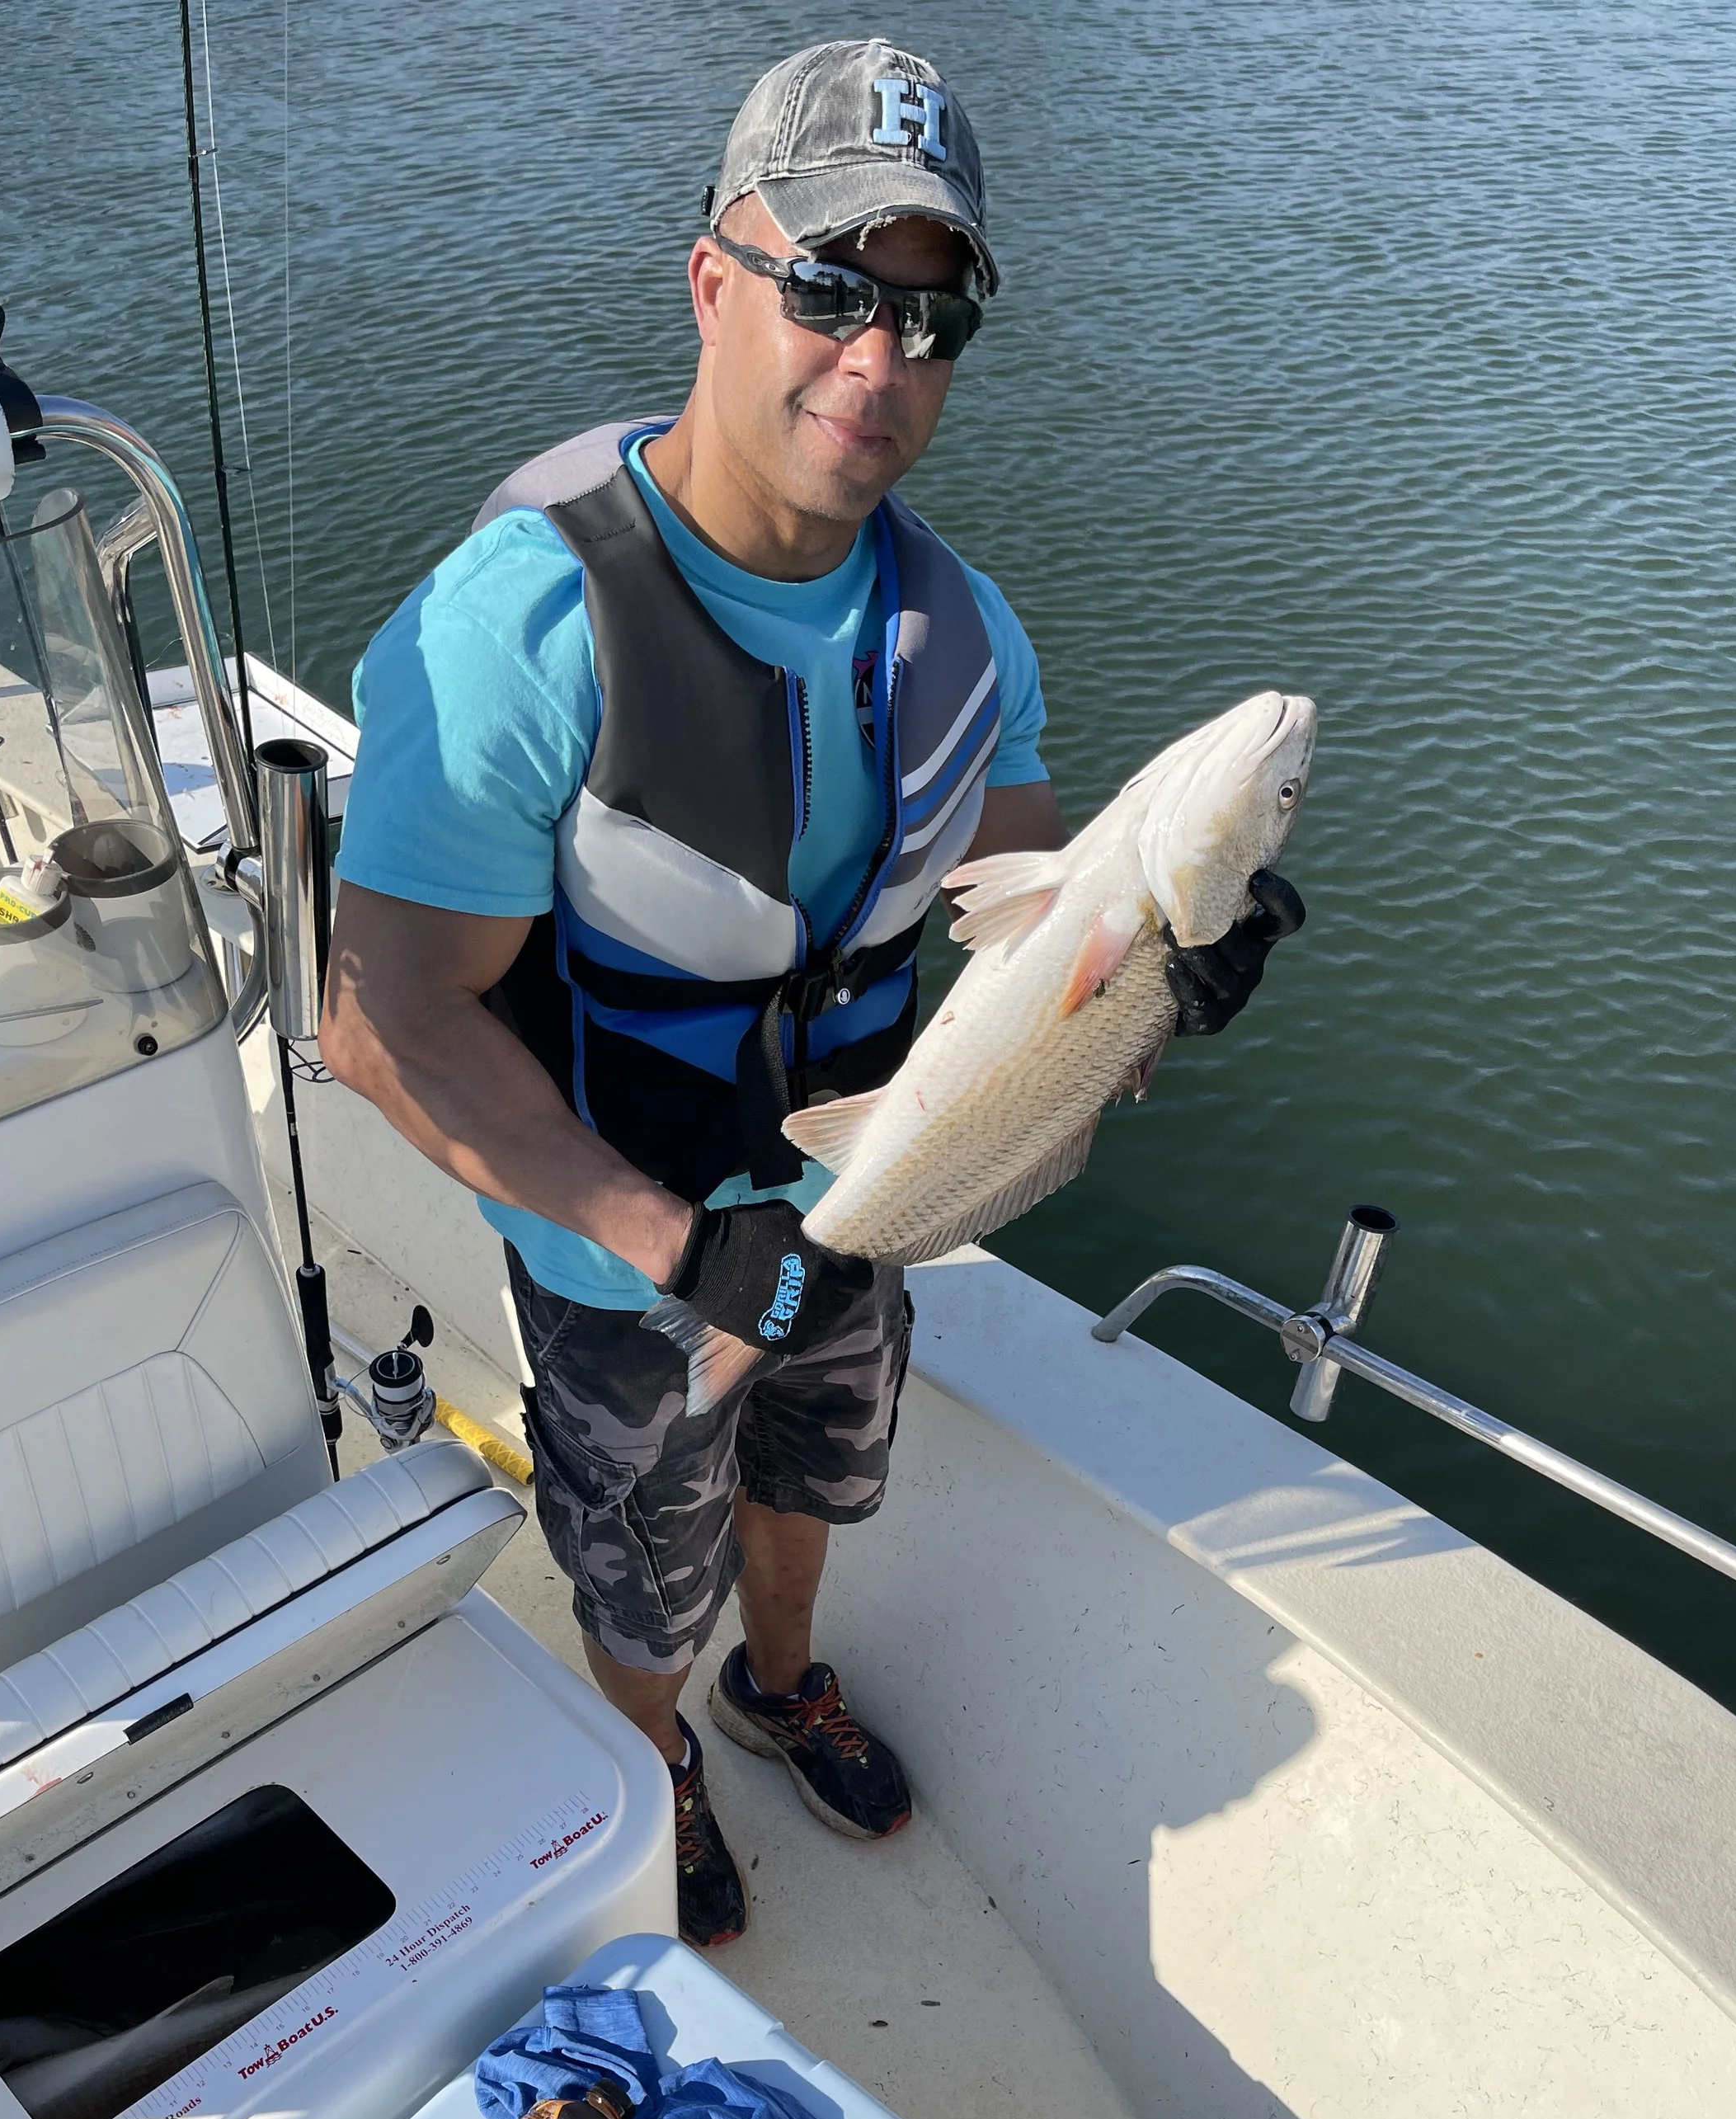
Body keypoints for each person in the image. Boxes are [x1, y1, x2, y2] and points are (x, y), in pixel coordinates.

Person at [321, 37, 1301, 1950]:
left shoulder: (964, 636)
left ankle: (777, 1688)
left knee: (816, 1479)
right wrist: (665, 1244)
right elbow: (384, 1020)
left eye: (930, 318)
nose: (880, 360)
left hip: (866, 1202)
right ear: (713, 280)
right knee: (636, 1576)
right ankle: (658, 1757)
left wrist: (1156, 981)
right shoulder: (522, 627)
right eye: (833, 288)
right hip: (623, 1255)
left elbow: (1022, 937)